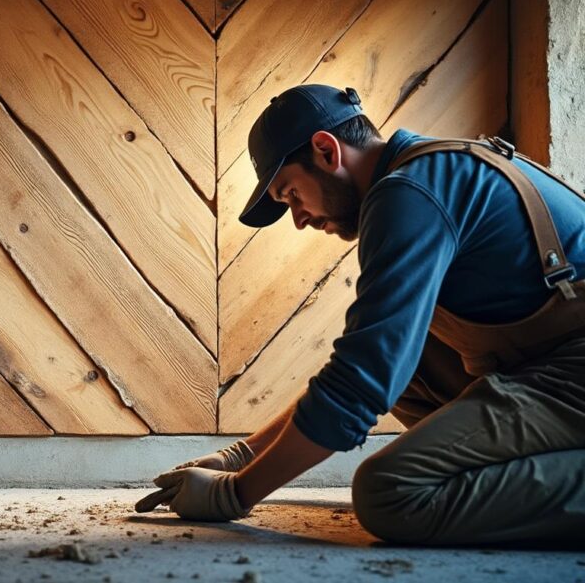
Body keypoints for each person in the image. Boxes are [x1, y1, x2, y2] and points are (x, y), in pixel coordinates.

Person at [136, 84, 585, 545]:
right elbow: (378, 362)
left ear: (327, 151)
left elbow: (361, 381)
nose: (299, 219)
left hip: (572, 370)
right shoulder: (423, 175)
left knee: (389, 492)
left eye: (291, 194)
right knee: (412, 366)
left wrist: (233, 494)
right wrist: (240, 456)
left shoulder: (409, 193)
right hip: (550, 365)